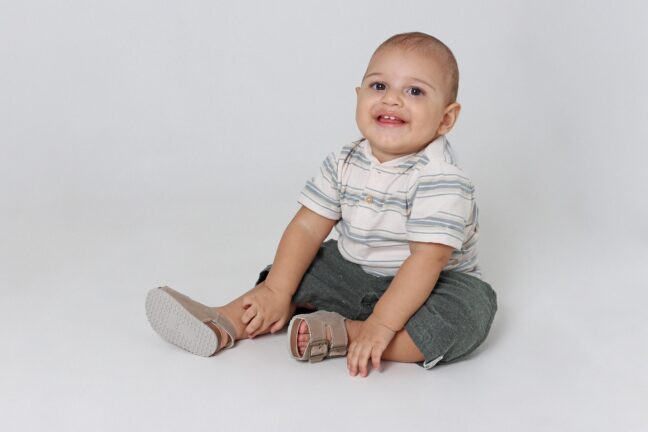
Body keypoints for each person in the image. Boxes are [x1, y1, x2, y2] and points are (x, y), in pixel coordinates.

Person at [145, 32, 497, 377]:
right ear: (358, 96)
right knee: (300, 266)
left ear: (446, 118)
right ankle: (224, 322)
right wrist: (278, 289)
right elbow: (307, 226)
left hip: (433, 284)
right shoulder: (345, 160)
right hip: (354, 271)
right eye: (379, 86)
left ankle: (349, 334)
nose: (392, 99)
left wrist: (380, 323)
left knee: (463, 316)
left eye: (414, 91)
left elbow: (427, 260)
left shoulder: (440, 176)